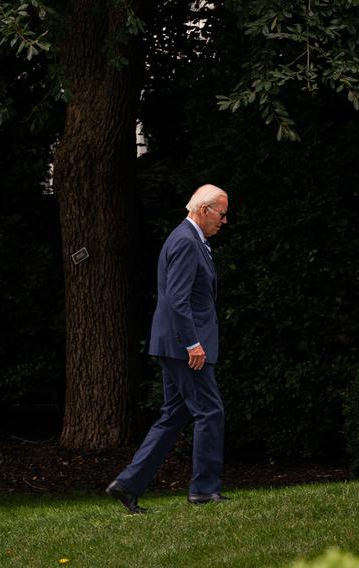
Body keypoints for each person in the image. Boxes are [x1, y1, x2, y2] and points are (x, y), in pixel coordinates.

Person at [106, 184, 230, 514]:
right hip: (183, 346)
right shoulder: (187, 242)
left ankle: (128, 484)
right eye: (221, 213)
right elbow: (177, 299)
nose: (224, 220)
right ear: (204, 210)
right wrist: (193, 343)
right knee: (210, 411)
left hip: (174, 344)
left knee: (175, 415)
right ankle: (204, 491)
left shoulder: (190, 240)